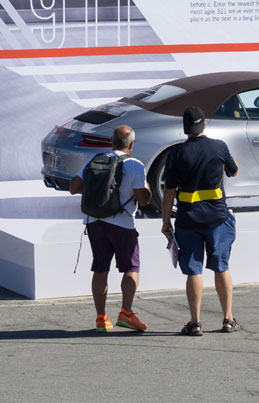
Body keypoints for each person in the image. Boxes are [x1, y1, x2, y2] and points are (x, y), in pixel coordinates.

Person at [161, 107, 241, 336]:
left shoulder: (175, 154)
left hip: (188, 221)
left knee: (194, 272)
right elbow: (234, 172)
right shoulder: (219, 146)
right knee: (221, 267)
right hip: (217, 219)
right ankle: (228, 319)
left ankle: (195, 323)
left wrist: (166, 222)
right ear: (204, 124)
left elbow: (168, 192)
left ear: (185, 128)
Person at [70, 124, 151, 332]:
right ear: (131, 144)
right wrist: (147, 188)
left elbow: (74, 188)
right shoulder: (134, 164)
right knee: (131, 268)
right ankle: (126, 313)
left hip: (94, 222)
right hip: (122, 224)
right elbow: (143, 200)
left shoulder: (94, 159)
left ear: (111, 142)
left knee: (100, 269)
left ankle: (101, 318)